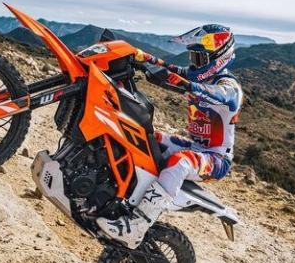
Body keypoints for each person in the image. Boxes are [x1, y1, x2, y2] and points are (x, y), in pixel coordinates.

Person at [97, 24, 243, 248]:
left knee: (179, 162)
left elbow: (219, 94)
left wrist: (183, 83)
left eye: (200, 59)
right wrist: (138, 55)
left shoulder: (229, 86)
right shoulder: (199, 76)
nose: (194, 64)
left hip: (216, 159)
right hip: (196, 147)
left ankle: (137, 225)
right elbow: (168, 67)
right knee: (145, 137)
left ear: (218, 57)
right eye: (193, 58)